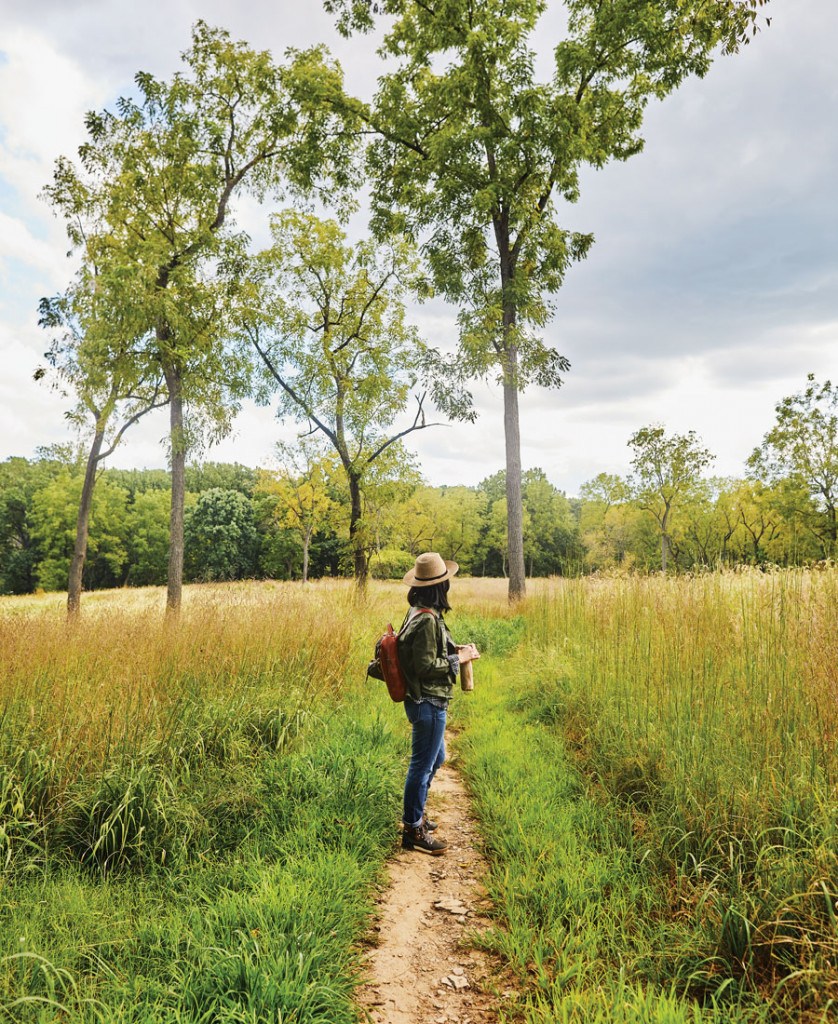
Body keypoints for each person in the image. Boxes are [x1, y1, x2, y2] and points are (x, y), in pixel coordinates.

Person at [397, 551, 479, 855]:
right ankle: (413, 828)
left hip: (423, 699)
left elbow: (424, 655)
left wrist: (454, 649)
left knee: (437, 758)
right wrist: (460, 658)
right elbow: (425, 666)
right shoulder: (428, 620)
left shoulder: (418, 612)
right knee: (421, 766)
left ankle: (416, 814)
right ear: (439, 587)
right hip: (428, 701)